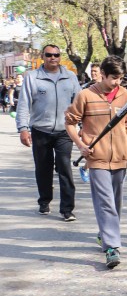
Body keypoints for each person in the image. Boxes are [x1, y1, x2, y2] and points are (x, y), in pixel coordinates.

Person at [64, 55, 127, 268]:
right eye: (113, 78)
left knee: (116, 202)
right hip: (96, 158)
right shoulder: (85, 95)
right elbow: (70, 123)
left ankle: (104, 233)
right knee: (105, 202)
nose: (117, 82)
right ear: (102, 75)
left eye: (121, 78)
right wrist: (80, 145)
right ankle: (112, 248)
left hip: (120, 157)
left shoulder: (125, 95)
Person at [16, 45, 81, 220]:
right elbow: (23, 104)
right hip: (40, 131)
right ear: (43, 56)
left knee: (65, 167)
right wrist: (23, 129)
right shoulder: (33, 77)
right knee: (43, 169)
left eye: (56, 55)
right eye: (49, 55)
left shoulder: (70, 77)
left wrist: (81, 126)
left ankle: (67, 209)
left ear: (60, 57)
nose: (53, 57)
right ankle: (44, 201)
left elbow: (80, 103)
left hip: (64, 131)